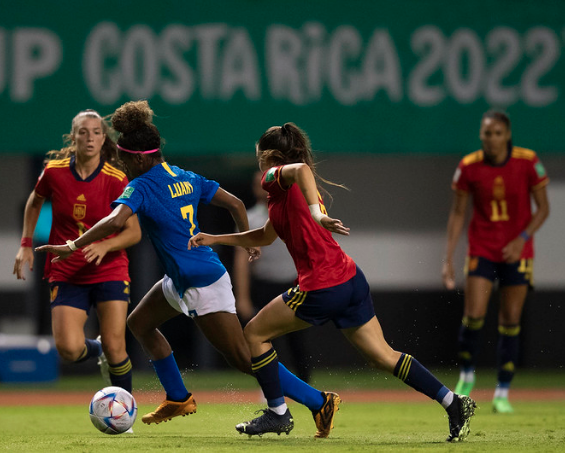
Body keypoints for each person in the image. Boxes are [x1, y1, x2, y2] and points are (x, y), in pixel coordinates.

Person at [36, 101, 341, 439]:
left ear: (138, 158)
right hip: (181, 279)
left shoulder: (142, 185)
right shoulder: (184, 175)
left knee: (243, 358)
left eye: (123, 158)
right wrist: (246, 241)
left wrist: (72, 245)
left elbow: (115, 221)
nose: (120, 163)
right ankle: (178, 397)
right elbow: (236, 204)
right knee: (139, 323)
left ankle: (318, 401)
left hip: (201, 282)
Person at [188, 122, 476, 442]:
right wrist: (217, 238)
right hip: (349, 279)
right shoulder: (281, 196)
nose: (258, 168)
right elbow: (266, 235)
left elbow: (298, 169)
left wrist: (317, 214)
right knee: (382, 355)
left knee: (254, 332)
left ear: (269, 156)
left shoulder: (275, 176)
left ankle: (279, 413)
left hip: (322, 285)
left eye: (259, 158)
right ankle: (453, 403)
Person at [13, 109, 141, 394]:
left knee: (116, 344)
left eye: (96, 132)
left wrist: (105, 244)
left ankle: (124, 412)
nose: (90, 138)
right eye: (83, 132)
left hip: (109, 268)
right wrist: (25, 244)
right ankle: (100, 351)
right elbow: (35, 202)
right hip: (67, 270)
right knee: (69, 349)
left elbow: (134, 232)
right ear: (73, 137)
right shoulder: (54, 171)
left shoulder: (115, 178)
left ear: (103, 138)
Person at [442, 110, 550, 414]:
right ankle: (466, 375)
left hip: (518, 251)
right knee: (474, 313)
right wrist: (448, 258)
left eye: (497, 133)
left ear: (507, 135)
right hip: (482, 248)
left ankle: (502, 391)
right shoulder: (469, 166)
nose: (491, 139)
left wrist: (522, 239)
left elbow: (543, 208)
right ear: (481, 135)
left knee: (510, 320)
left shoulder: (527, 161)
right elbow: (458, 213)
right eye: (487, 133)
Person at [233, 170, 312, 383]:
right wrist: (242, 298)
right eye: (258, 183)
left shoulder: (294, 212)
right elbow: (241, 260)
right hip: (265, 285)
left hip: (293, 284)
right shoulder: (249, 218)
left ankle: (306, 387)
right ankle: (271, 386)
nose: (262, 187)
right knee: (264, 340)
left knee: (298, 342)